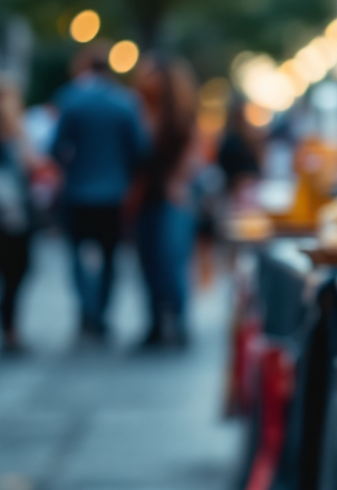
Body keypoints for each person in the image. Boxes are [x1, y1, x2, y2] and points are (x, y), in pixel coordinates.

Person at [52, 47, 148, 340]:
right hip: (113, 194)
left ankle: (86, 309)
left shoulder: (71, 99)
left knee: (76, 255)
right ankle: (102, 313)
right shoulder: (125, 102)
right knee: (110, 257)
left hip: (78, 192)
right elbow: (140, 150)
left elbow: (55, 147)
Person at [134, 57, 199, 348]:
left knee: (170, 261)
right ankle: (155, 322)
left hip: (174, 198)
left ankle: (178, 319)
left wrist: (179, 180)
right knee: (146, 262)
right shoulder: (138, 112)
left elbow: (194, 151)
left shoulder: (181, 115)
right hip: (144, 198)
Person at [0, 76, 36, 353]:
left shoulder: (19, 136)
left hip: (14, 213)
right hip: (12, 214)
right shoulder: (17, 137)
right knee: (16, 270)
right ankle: (10, 327)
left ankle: (11, 326)